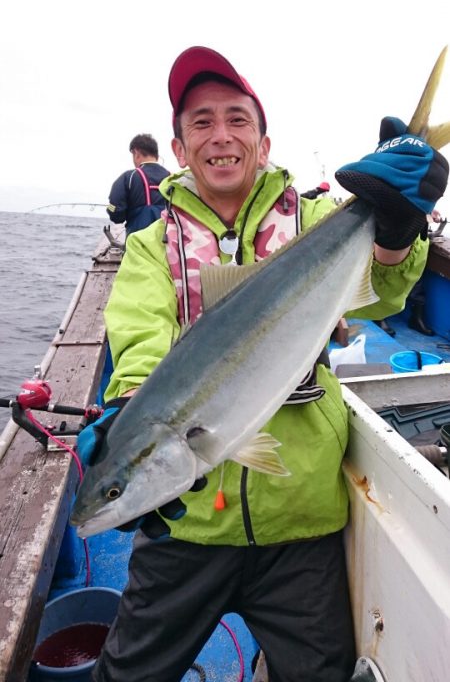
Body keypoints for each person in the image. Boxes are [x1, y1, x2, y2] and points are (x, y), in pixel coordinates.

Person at [78, 47, 448, 682]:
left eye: (236, 119)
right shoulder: (151, 245)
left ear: (263, 138)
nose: (220, 136)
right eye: (200, 122)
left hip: (300, 517)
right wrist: (126, 410)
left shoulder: (316, 220)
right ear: (180, 145)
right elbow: (139, 343)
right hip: (186, 531)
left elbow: (384, 291)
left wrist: (394, 221)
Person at [106, 133, 170, 236]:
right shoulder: (172, 179)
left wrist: (110, 208)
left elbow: (116, 215)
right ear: (156, 155)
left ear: (136, 152)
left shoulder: (128, 177)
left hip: (138, 246)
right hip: (169, 246)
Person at [407, 209, 446, 334]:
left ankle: (416, 319)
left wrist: (429, 213)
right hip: (395, 233)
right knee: (387, 276)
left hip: (417, 237)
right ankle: (379, 317)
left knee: (417, 277)